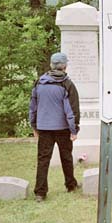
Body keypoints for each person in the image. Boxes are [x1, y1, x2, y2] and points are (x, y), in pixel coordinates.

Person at [29, 52, 80, 202]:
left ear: (51, 65)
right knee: (66, 157)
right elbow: (72, 109)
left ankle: (40, 192)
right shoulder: (67, 84)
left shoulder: (39, 83)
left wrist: (34, 126)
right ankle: (70, 185)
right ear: (64, 66)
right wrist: (74, 129)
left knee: (43, 159)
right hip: (62, 128)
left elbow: (33, 107)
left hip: (44, 127)